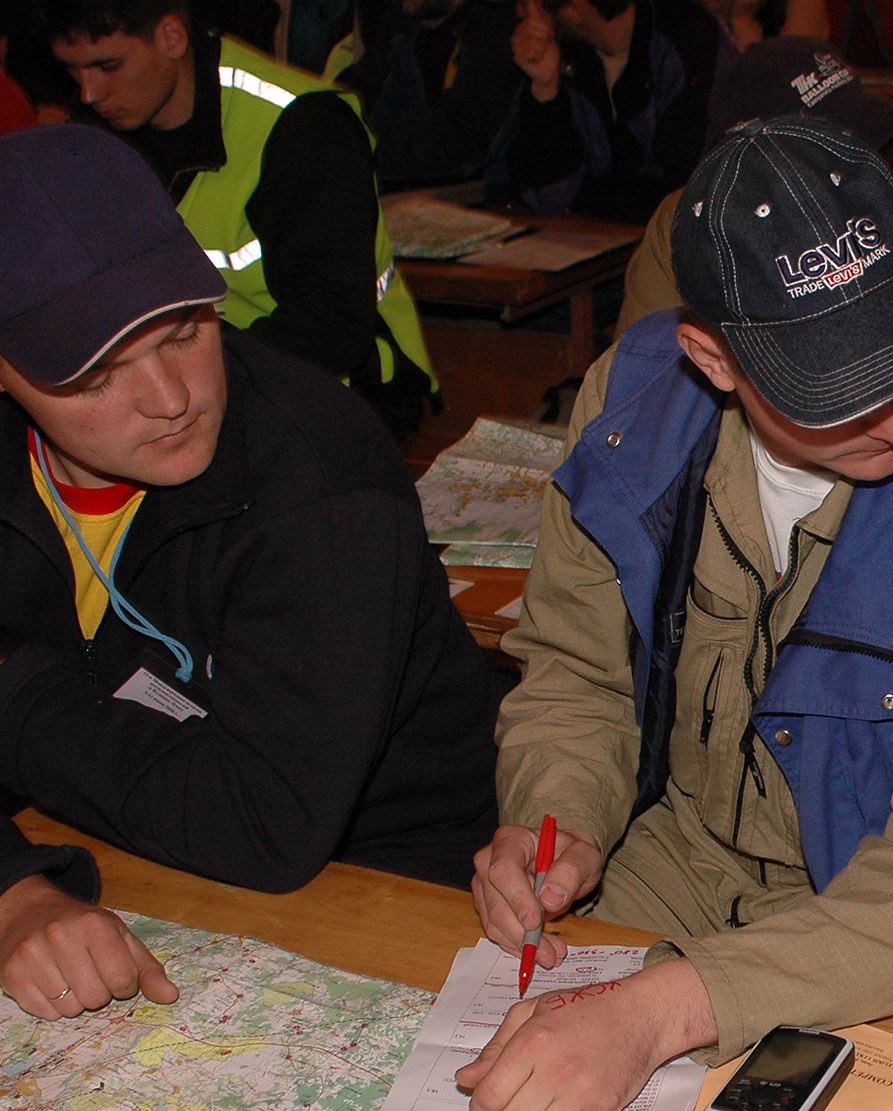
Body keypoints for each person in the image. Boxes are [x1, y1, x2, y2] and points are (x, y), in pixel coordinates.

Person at [455, 118, 893, 1111]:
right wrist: (559, 817)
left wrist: (668, 1008)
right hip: (671, 872)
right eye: (835, 386)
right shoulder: (627, 413)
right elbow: (576, 674)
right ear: (711, 357)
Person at [0, 125, 500, 1023]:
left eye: (187, 328)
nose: (170, 397)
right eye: (95, 375)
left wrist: (11, 693)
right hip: (108, 845)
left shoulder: (322, 485)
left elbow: (266, 825)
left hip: (386, 890)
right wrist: (14, 891)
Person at [46, 0, 439, 438]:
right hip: (191, 388)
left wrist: (174, 371)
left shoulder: (305, 126)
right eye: (73, 71)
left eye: (108, 65)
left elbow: (330, 331)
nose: (89, 93)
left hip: (338, 395)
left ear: (172, 37)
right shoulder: (92, 134)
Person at [614, 35, 893, 336]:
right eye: (829, 146)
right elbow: (645, 378)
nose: (856, 159)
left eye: (860, 138)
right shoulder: (684, 230)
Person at [505, 0, 727, 222]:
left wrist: (590, 197)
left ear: (575, 7)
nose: (519, 11)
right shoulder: (559, 53)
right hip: (592, 240)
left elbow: (686, 192)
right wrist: (545, 90)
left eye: (528, 2)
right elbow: (550, 198)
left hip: (675, 244)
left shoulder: (685, 37)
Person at [336, 0, 524, 188]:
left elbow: (462, 144)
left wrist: (357, 147)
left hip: (487, 202)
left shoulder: (499, 29)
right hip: (405, 189)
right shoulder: (403, 23)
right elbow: (360, 97)